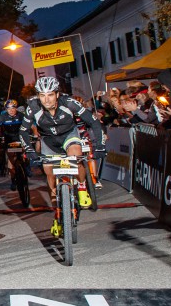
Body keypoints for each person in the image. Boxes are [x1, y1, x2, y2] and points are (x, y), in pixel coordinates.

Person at [19, 76, 106, 237]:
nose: (46, 99)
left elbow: (94, 122)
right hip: (48, 141)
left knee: (75, 157)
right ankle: (58, 215)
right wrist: (29, 150)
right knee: (51, 178)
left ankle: (81, 186)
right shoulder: (32, 107)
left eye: (50, 95)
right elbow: (23, 132)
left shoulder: (70, 103)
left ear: (57, 94)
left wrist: (100, 146)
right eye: (42, 95)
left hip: (68, 136)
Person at [0, 99, 25, 191]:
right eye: (8, 108)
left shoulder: (21, 115)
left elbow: (32, 126)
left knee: (25, 151)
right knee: (11, 160)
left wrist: (34, 133)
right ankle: (13, 179)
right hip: (9, 139)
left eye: (13, 108)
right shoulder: (3, 117)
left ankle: (24, 164)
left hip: (20, 137)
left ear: (16, 108)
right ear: (6, 109)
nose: (11, 110)